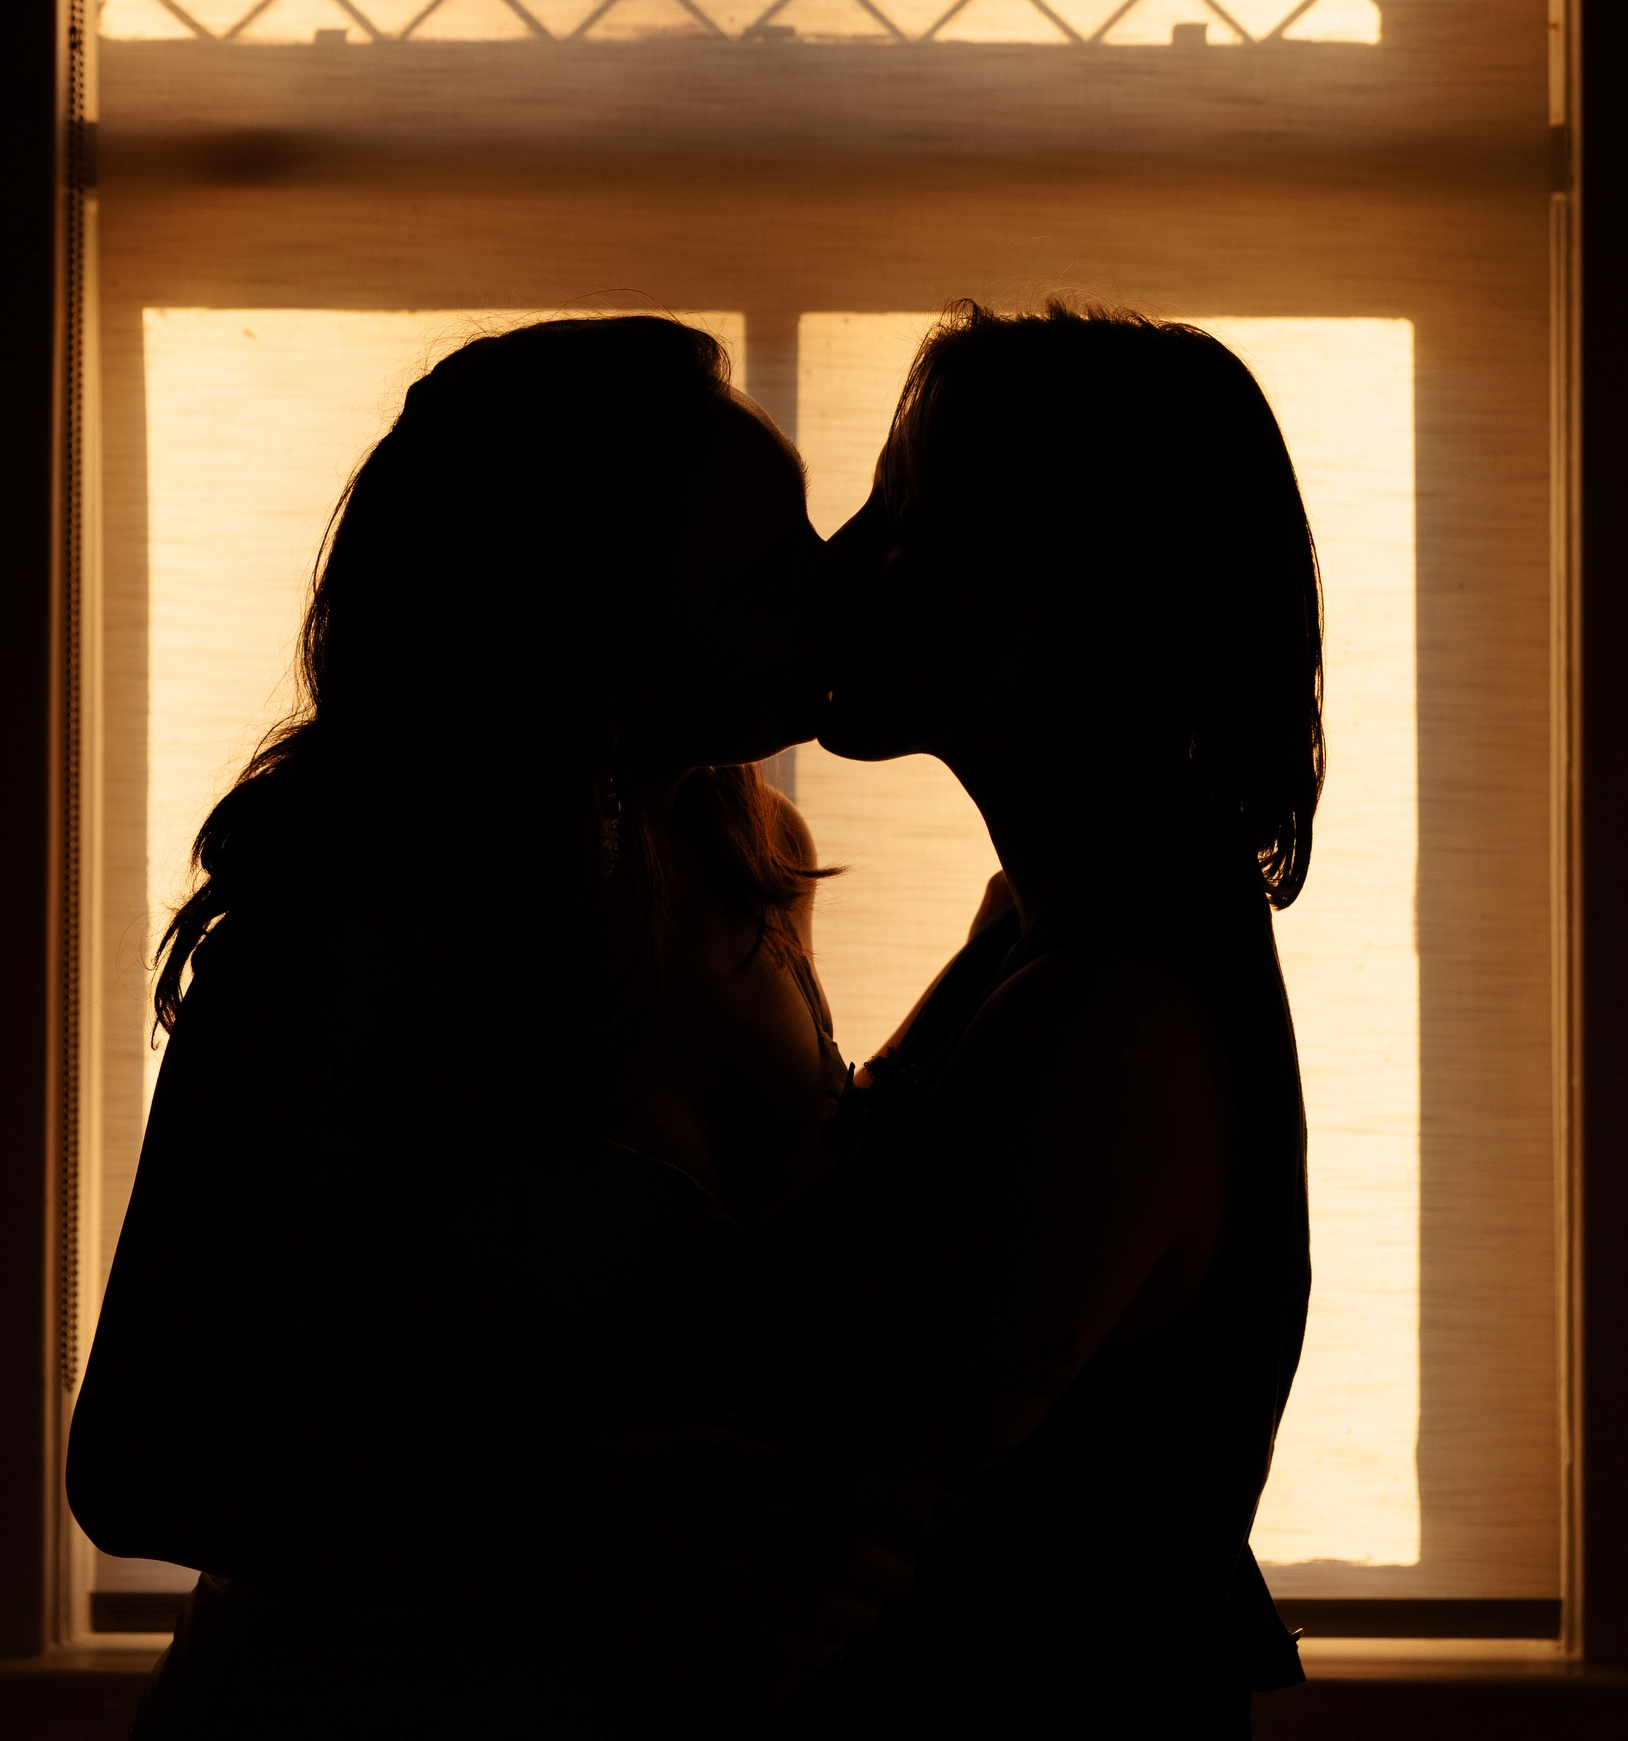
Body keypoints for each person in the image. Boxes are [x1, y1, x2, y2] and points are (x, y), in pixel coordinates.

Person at [67, 315, 915, 1736]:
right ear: (584, 614)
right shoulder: (341, 937)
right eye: (764, 561)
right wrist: (591, 1512)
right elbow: (141, 1462)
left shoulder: (745, 858)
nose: (833, 584)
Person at [732, 302, 1317, 1734]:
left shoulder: (1108, 1021)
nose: (842, 562)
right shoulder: (1045, 923)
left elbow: (831, 1492)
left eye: (906, 511)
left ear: (1084, 597)